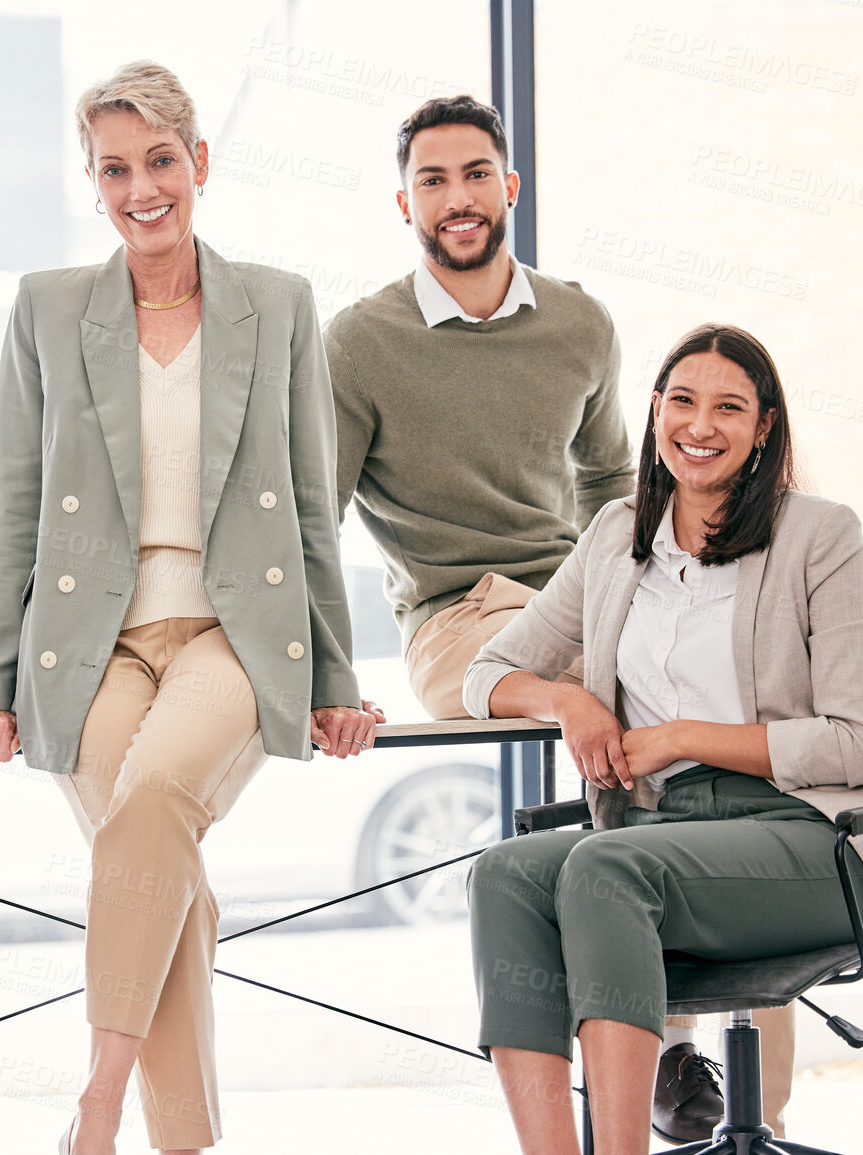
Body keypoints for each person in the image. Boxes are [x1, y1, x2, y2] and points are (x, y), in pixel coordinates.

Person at [324, 94, 790, 1139]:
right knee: (597, 723)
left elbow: (608, 494)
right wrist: (321, 670)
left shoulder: (580, 323)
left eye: (476, 174)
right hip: (458, 616)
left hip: (580, 591)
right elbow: (318, 512)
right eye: (435, 180)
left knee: (673, 742)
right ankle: (656, 1051)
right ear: (405, 202)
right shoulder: (358, 341)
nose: (459, 198)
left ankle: (668, 1040)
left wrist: (657, 600)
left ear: (510, 187)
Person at [0, 61, 379, 1155]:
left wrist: (336, 678)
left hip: (235, 633)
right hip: (86, 641)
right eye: (113, 169)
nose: (140, 188)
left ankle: (98, 1102)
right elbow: (12, 504)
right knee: (156, 873)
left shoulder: (276, 303)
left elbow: (312, 505)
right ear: (90, 181)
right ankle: (183, 1145)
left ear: (198, 164)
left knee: (147, 813)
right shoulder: (48, 308)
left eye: (159, 161)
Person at [462, 324, 863, 1155]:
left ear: (764, 427)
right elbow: (487, 671)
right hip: (664, 828)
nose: (699, 424)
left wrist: (683, 735)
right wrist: (567, 699)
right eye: (681, 400)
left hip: (817, 837)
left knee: (606, 864)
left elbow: (860, 742)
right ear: (653, 412)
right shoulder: (615, 536)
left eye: (728, 406)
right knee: (503, 872)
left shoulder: (819, 535)